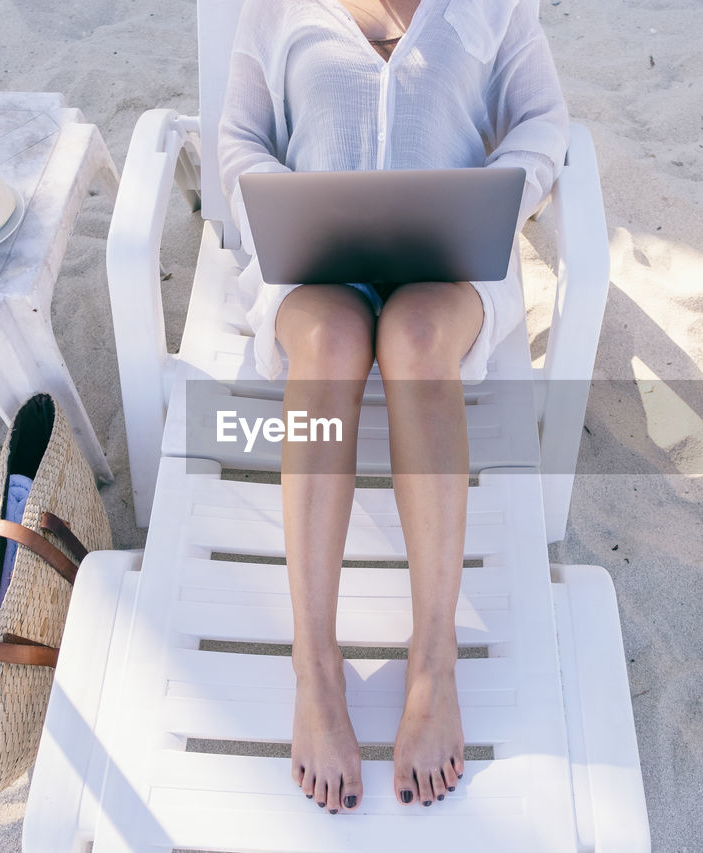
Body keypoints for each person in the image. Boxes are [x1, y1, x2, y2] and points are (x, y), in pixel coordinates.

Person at [217, 0, 569, 815]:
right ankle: (315, 664)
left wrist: (492, 199)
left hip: (448, 271)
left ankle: (433, 661)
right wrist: (288, 205)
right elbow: (238, 141)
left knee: (412, 336)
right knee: (335, 340)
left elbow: (543, 123)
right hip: (311, 271)